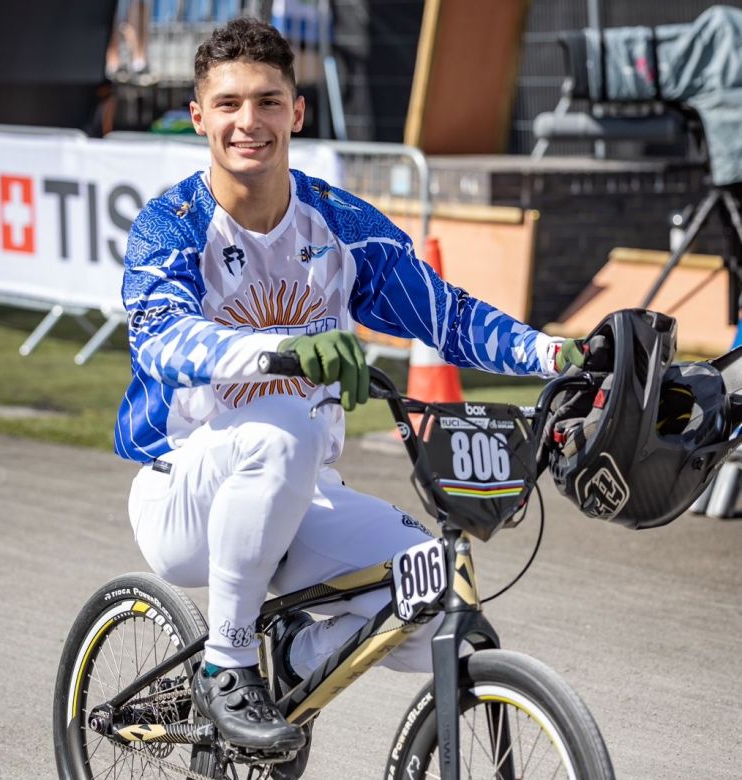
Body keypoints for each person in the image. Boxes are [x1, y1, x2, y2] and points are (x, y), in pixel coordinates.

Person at [114, 15, 586, 772]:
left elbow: (446, 315)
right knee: (281, 425)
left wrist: (552, 351)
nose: (249, 122)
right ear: (198, 116)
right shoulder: (170, 227)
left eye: (268, 102)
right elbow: (162, 339)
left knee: (438, 592)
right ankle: (225, 665)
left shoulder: (336, 224)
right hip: (183, 492)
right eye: (229, 103)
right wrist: (287, 351)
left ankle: (303, 650)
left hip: (299, 488)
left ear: (297, 113)